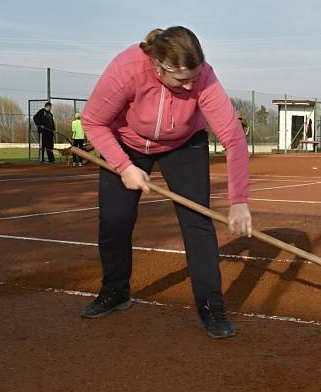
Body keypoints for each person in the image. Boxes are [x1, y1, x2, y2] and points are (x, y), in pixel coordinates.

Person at [81, 26, 252, 339]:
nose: (190, 86)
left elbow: (233, 138)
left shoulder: (204, 78)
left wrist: (239, 200)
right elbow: (93, 120)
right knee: (115, 220)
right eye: (182, 79)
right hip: (125, 143)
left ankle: (211, 307)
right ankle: (115, 291)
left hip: (184, 143)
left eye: (195, 77)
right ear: (158, 69)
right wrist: (123, 166)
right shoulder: (128, 68)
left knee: (197, 222)